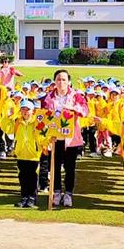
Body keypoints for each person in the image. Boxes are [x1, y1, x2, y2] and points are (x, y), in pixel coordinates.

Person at [42, 69, 89, 207]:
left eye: (64, 79)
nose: (61, 82)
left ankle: (68, 193)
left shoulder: (76, 96)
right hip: (55, 138)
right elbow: (44, 117)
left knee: (70, 168)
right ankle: (56, 192)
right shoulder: (48, 98)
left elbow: (85, 111)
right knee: (54, 167)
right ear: (54, 82)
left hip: (71, 139)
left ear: (68, 81)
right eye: (58, 79)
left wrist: (74, 108)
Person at [1, 99, 47, 208]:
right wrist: (8, 117)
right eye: (23, 109)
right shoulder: (17, 122)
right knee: (23, 177)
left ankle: (32, 198)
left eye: (28, 110)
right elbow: (6, 128)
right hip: (21, 154)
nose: (25, 112)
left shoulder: (37, 123)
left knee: (33, 178)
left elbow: (43, 136)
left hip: (33, 155)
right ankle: (24, 197)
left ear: (32, 111)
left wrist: (47, 142)